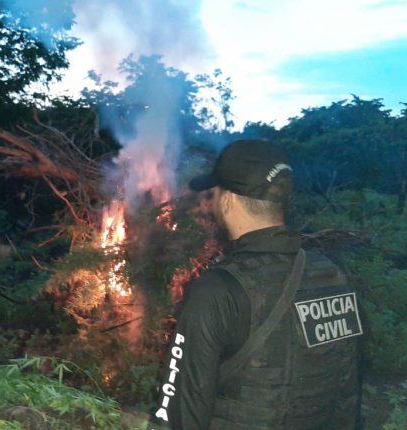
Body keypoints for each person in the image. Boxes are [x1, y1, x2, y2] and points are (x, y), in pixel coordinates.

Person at [149, 140, 363, 430]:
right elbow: (348, 395)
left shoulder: (217, 291)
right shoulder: (332, 275)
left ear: (228, 201)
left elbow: (179, 417)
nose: (209, 204)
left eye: (213, 195)